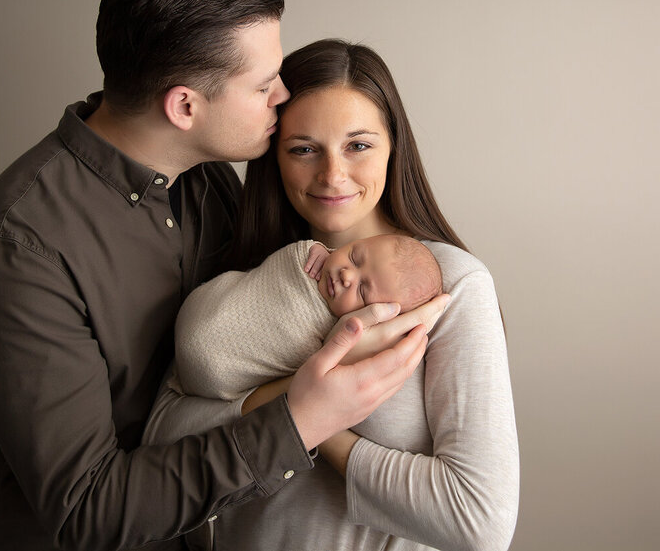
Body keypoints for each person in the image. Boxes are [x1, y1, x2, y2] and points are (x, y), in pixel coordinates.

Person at [0, 0, 448, 551]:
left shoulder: (209, 182)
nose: (283, 95)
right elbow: (87, 511)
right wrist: (302, 419)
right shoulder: (17, 249)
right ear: (184, 106)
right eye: (264, 85)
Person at [143, 39, 520, 551]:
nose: (332, 175)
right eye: (303, 149)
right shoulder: (255, 276)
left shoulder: (452, 287)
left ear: (394, 146)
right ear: (274, 157)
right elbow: (161, 439)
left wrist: (317, 420)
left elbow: (479, 523)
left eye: (358, 145)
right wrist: (300, 400)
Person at [174, 234, 442, 401]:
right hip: (200, 309)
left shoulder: (343, 335)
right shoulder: (314, 259)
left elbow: (329, 359)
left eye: (362, 291)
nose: (347, 274)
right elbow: (289, 261)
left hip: (216, 375)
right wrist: (316, 248)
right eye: (354, 256)